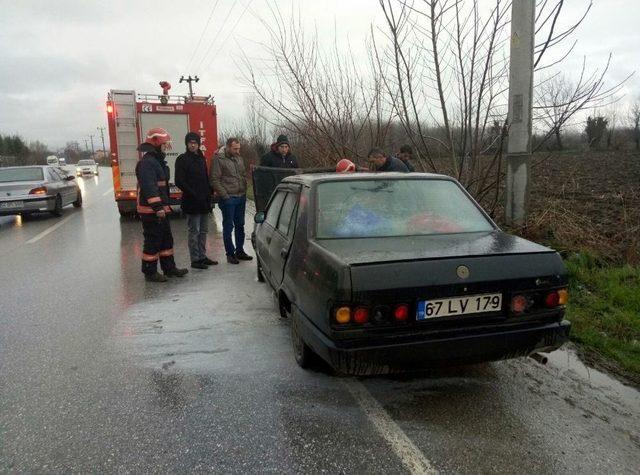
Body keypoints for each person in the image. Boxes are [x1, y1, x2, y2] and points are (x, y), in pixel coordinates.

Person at [136, 127, 189, 282]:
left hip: (160, 209)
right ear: (156, 144)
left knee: (166, 239)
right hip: (151, 210)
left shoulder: (156, 161)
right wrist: (158, 207)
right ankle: (149, 272)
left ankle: (169, 269)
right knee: (153, 241)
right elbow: (149, 187)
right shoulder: (147, 163)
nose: (166, 146)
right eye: (164, 144)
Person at [175, 132, 218, 270]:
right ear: (187, 144)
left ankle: (202, 256)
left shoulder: (201, 158)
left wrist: (210, 193)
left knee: (204, 231)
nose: (193, 145)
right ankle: (195, 259)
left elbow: (205, 179)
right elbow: (179, 181)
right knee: (194, 231)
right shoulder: (182, 159)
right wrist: (193, 193)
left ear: (199, 144)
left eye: (195, 143)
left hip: (204, 202)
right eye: (190, 143)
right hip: (192, 202)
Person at [210, 137, 253, 264]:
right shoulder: (218, 159)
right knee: (228, 226)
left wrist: (245, 188)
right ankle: (230, 253)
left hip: (241, 196)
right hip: (228, 198)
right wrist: (225, 195)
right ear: (228, 147)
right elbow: (214, 179)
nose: (237, 151)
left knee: (240, 225)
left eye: (239, 148)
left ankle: (240, 251)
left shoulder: (239, 158)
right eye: (235, 148)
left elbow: (242, 175)